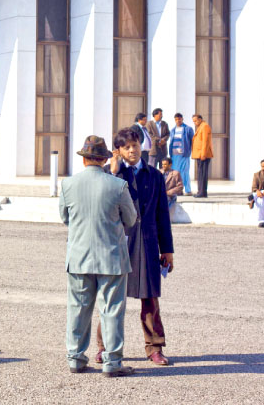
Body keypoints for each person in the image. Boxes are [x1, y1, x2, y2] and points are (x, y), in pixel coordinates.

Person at [60, 136, 137, 377]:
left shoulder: (68, 184)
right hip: (111, 257)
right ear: (105, 159)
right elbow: (131, 219)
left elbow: (65, 218)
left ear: (83, 159)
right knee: (112, 309)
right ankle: (112, 362)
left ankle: (75, 357)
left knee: (78, 308)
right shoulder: (117, 185)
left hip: (79, 255)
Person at [98, 127, 174, 366]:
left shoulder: (155, 175)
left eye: (136, 145)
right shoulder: (110, 175)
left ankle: (154, 348)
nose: (133, 150)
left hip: (149, 243)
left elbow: (162, 214)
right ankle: (105, 347)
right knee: (112, 298)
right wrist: (113, 172)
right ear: (118, 151)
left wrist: (167, 249)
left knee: (150, 299)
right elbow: (104, 207)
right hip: (119, 243)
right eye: (127, 147)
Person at [168, 113, 194, 195]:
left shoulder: (188, 129)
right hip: (174, 155)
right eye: (176, 119)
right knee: (175, 173)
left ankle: (188, 190)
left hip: (184, 154)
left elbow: (192, 141)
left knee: (185, 172)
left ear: (182, 119)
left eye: (179, 119)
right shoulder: (173, 130)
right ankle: (178, 190)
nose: (178, 121)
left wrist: (191, 152)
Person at [191, 114, 213, 198]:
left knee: (202, 174)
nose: (195, 123)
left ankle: (202, 192)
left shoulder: (204, 127)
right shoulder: (200, 127)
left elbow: (205, 141)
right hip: (199, 155)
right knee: (200, 174)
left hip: (203, 155)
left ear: (200, 119)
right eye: (194, 121)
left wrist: (203, 154)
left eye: (196, 121)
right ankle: (201, 192)